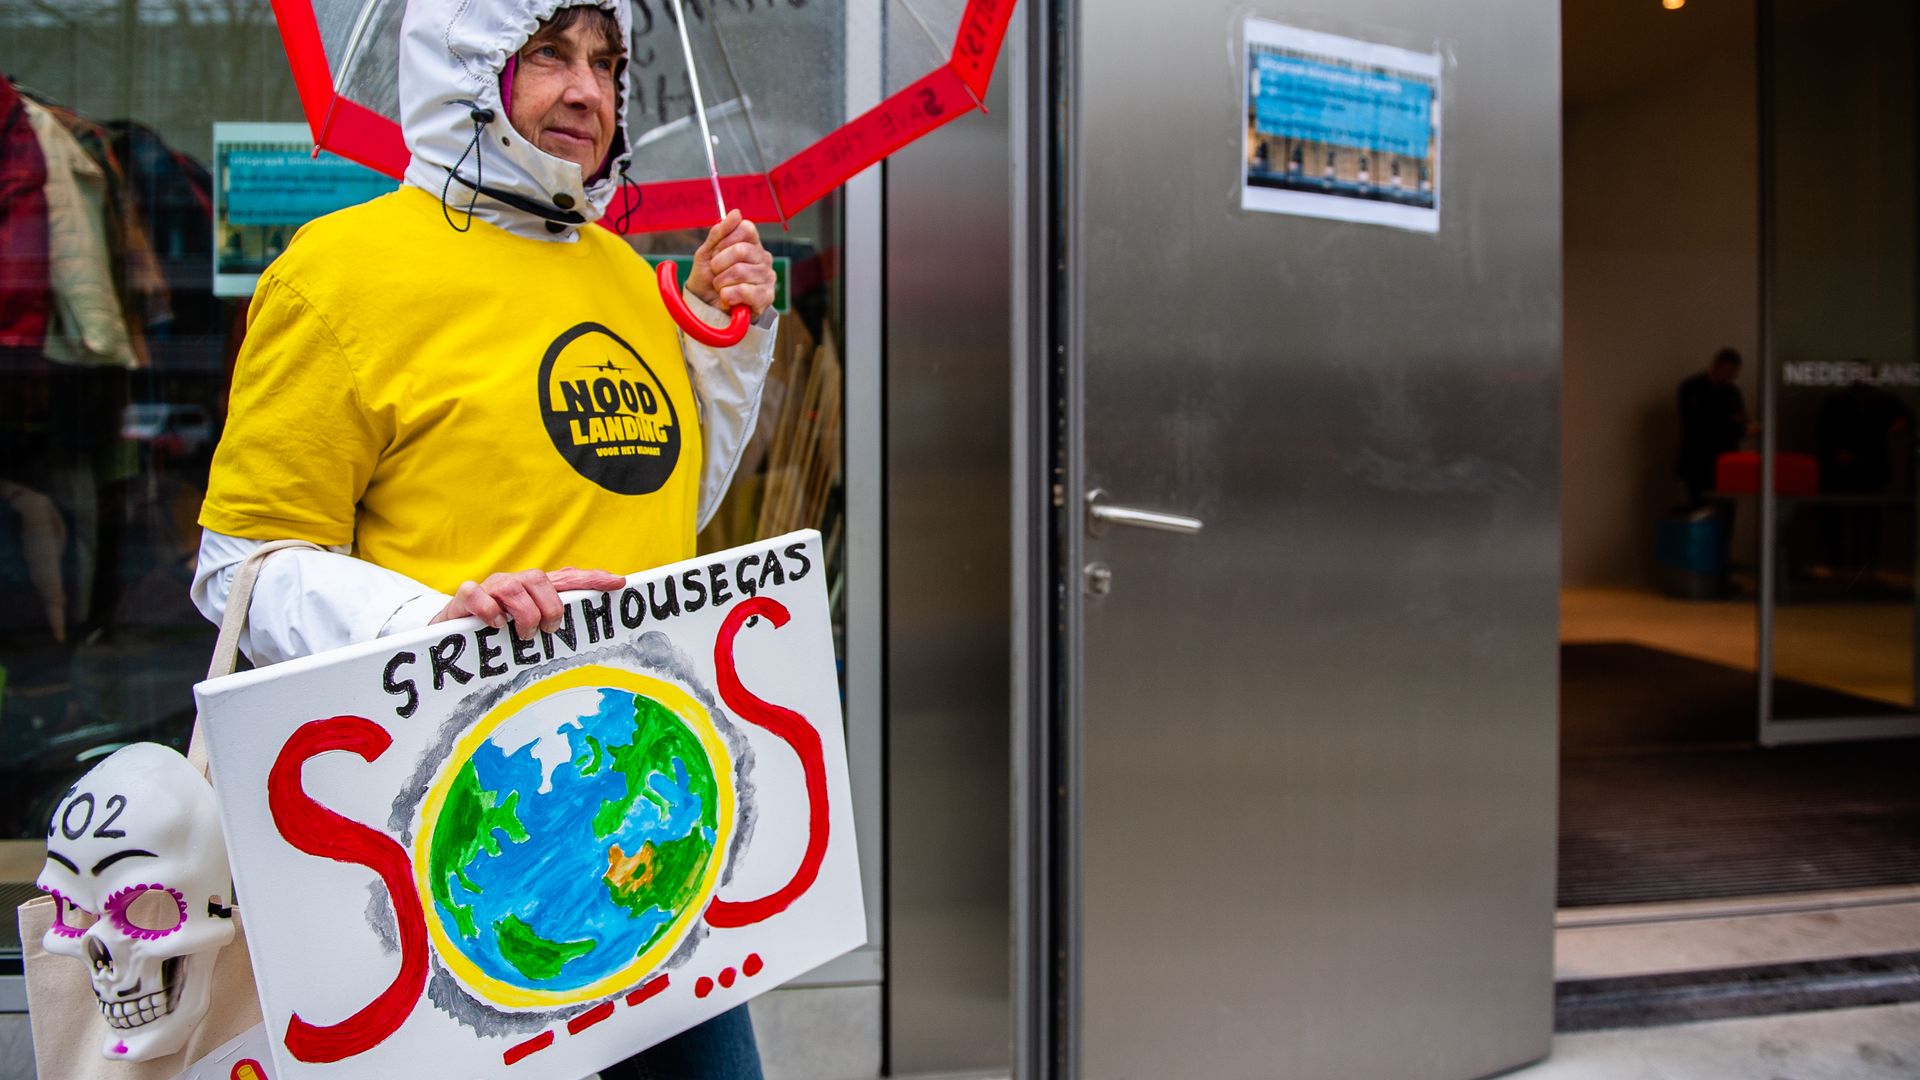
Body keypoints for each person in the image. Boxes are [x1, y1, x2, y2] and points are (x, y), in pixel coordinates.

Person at [189, 1, 777, 1076]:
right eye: (548, 53)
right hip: (451, 863)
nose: (588, 92)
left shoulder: (621, 274)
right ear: (465, 61)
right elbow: (240, 571)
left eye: (606, 61)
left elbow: (658, 524)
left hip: (651, 841)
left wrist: (723, 351)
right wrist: (425, 618)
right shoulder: (338, 273)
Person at [1676, 346, 1753, 508]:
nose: (1730, 378)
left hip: (1727, 463)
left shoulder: (1732, 392)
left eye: (1733, 375)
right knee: (1700, 509)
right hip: (1699, 461)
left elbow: (1740, 422)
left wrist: (1745, 427)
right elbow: (1698, 423)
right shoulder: (1692, 388)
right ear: (1717, 366)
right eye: (1728, 373)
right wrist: (1729, 422)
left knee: (1726, 511)